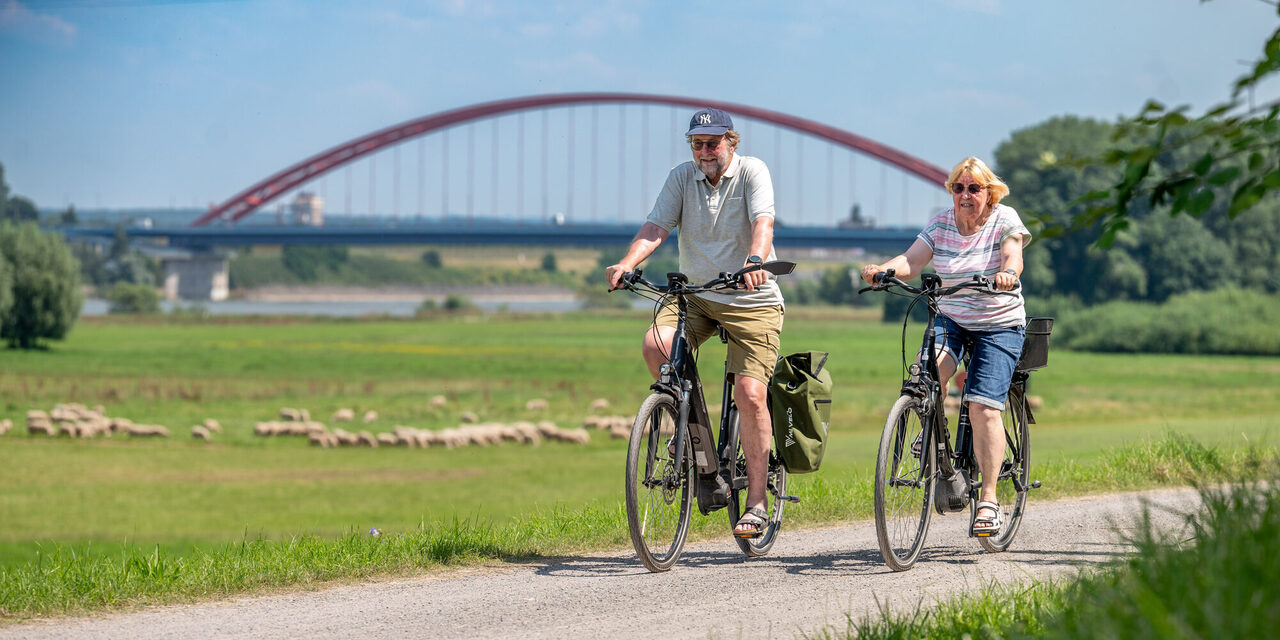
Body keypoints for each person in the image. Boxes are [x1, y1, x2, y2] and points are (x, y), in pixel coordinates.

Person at [605, 107, 784, 539]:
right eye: (697, 144)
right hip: (697, 296)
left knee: (749, 393)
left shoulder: (752, 171)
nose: (704, 151)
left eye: (712, 143)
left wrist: (755, 261)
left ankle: (757, 502)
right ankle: (691, 435)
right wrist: (627, 263)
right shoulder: (682, 177)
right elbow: (656, 226)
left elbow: (763, 223)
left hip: (749, 299)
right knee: (656, 344)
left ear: (731, 143)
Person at [858, 156, 1030, 537]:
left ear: (990, 193)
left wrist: (1007, 273)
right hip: (952, 318)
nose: (965, 195)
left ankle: (989, 500)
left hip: (998, 323)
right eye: (958, 188)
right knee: (927, 372)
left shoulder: (1005, 219)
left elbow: (1013, 254)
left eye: (974, 188)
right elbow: (912, 260)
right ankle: (931, 423)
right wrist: (883, 270)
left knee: (983, 407)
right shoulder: (940, 224)